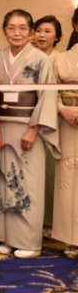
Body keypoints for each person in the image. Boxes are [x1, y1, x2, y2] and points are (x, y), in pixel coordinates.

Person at [0, 9, 60, 259]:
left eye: (22, 28)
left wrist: (33, 128)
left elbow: (48, 96)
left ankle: (29, 241)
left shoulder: (40, 59)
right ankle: (7, 237)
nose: (16, 33)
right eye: (11, 27)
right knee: (2, 181)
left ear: (30, 32)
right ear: (4, 31)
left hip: (27, 127)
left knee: (26, 183)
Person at [33, 14, 63, 237]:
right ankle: (34, 219)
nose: (42, 35)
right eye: (38, 30)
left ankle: (51, 221)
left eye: (47, 31)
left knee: (52, 174)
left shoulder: (61, 60)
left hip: (56, 121)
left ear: (57, 37)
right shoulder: (30, 58)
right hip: (30, 121)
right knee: (33, 174)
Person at [52, 38, 78, 258]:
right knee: (68, 181)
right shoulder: (61, 59)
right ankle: (72, 239)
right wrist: (62, 109)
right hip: (68, 122)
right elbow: (50, 91)